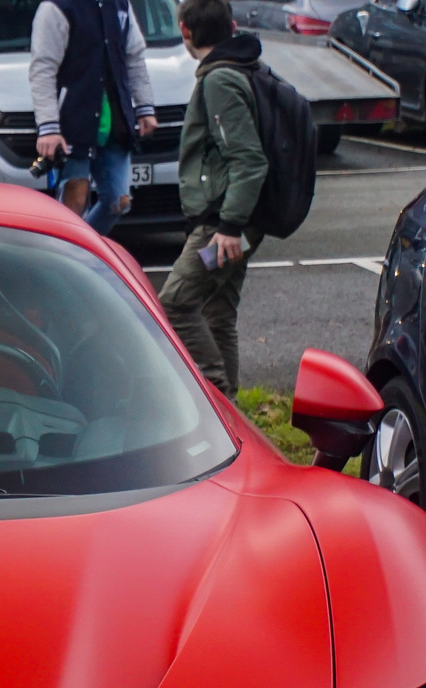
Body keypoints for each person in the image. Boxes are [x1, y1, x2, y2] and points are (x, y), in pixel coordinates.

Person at [161, 0, 267, 394]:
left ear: (185, 30)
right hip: (241, 222)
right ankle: (234, 416)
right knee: (218, 315)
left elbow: (248, 159)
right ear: (232, 26)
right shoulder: (243, 68)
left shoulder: (219, 80)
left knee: (174, 303)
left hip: (223, 225)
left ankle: (215, 398)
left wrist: (229, 226)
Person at [27, 0, 157, 235]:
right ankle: (67, 256)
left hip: (115, 122)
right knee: (74, 199)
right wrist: (48, 126)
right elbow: (43, 69)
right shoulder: (57, 7)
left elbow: (134, 57)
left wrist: (144, 107)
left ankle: (80, 253)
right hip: (73, 121)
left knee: (118, 201)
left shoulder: (120, 5)